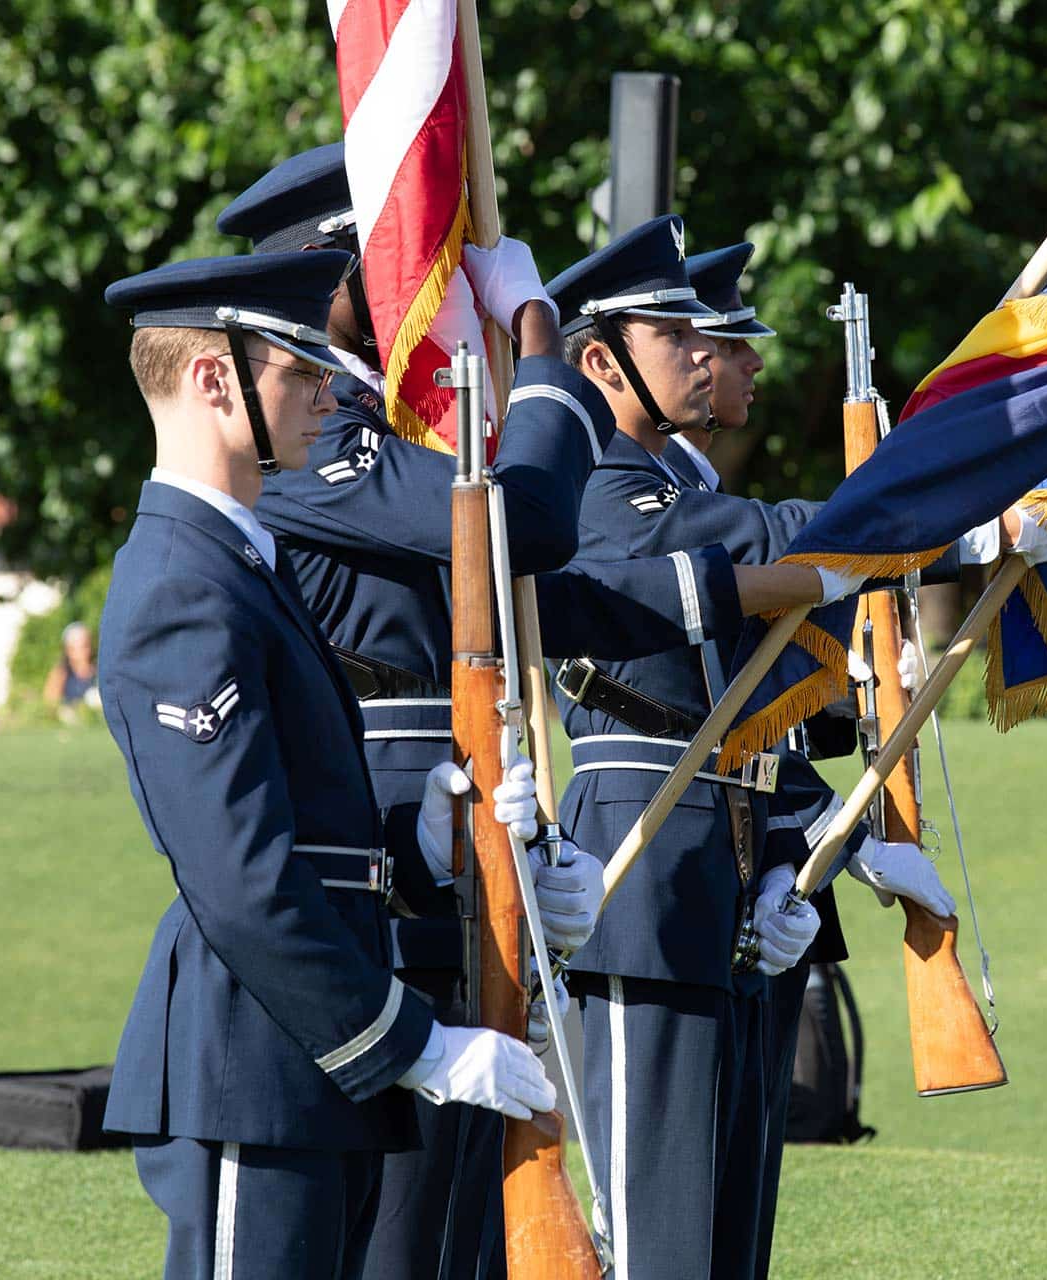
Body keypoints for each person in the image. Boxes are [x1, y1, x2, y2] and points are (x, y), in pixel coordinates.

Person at [216, 145, 825, 1279]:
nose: (424, 282)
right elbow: (519, 532)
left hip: (465, 845)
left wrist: (762, 582)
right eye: (398, 255)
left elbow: (548, 601)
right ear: (330, 268)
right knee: (386, 1241)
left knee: (458, 1239)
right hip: (386, 860)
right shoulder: (314, 450)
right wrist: (539, 340)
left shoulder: (378, 433)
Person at [95, 252, 585, 1279]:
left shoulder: (236, 562)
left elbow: (312, 829)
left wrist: (431, 839)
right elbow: (240, 879)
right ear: (213, 380)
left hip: (306, 1062)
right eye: (300, 372)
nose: (333, 389)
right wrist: (414, 1040)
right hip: (257, 1058)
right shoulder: (183, 579)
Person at [679, 242, 959, 1276]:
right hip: (662, 871)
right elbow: (755, 542)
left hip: (747, 871)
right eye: (722, 344)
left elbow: (752, 723)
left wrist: (823, 847)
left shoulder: (689, 477)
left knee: (736, 1219)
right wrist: (953, 514)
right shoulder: (627, 481)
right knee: (670, 1213)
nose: (753, 365)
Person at [41, 621, 98, 708]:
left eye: (86, 646)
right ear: (68, 650)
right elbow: (50, 703)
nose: (83, 652)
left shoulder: (98, 671)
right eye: (77, 648)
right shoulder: (61, 673)